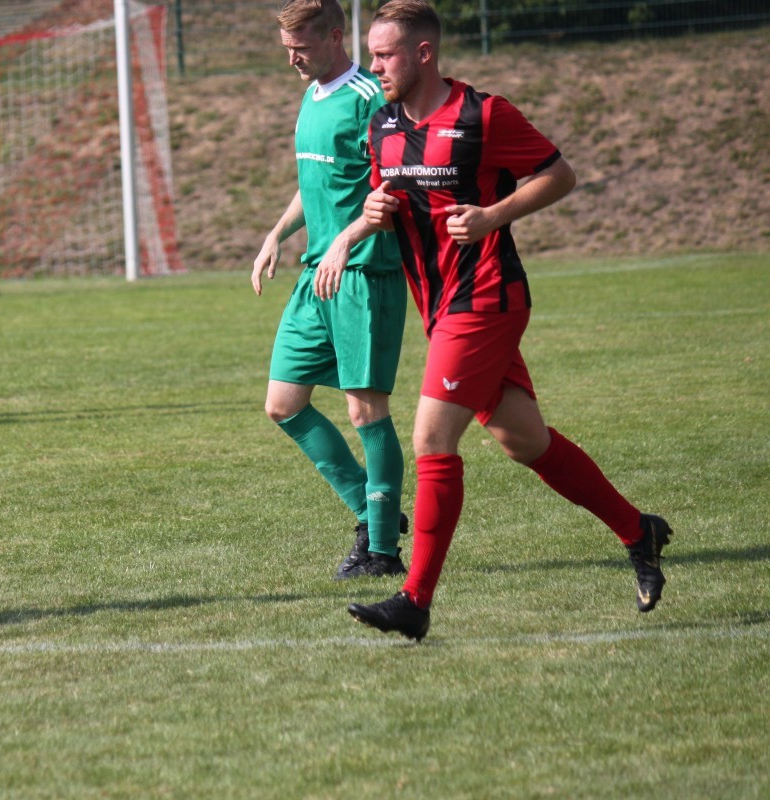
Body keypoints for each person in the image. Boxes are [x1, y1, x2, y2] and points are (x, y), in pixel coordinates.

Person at [348, 0, 672, 641]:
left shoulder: (482, 114)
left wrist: (495, 216)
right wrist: (376, 208)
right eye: (372, 52)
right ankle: (641, 531)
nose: (374, 65)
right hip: (438, 305)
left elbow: (560, 175)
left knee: (432, 441)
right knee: (525, 441)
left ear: (423, 53)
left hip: (488, 297)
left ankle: (414, 600)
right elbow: (386, 193)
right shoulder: (382, 124)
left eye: (384, 54)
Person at [252, 0, 409, 580]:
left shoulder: (372, 99)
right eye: (287, 48)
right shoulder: (312, 94)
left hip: (364, 275)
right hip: (314, 274)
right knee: (283, 404)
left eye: (302, 46)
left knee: (366, 412)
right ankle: (375, 515)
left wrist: (348, 238)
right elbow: (314, 179)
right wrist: (275, 233)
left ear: (337, 36)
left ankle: (383, 551)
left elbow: (394, 188)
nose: (292, 57)